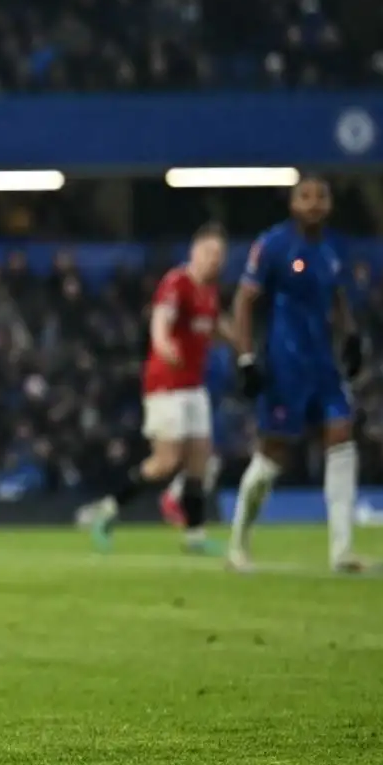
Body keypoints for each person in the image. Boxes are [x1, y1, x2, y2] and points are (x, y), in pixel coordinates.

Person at [228, 174, 373, 573]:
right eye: (305, 197)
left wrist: (352, 336)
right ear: (292, 204)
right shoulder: (274, 244)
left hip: (323, 365)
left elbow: (339, 295)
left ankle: (341, 552)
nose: (313, 204)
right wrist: (245, 358)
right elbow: (243, 301)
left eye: (320, 197)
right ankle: (239, 544)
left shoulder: (334, 247)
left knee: (341, 438)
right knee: (273, 454)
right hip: (283, 366)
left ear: (330, 204)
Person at [80, 225, 228, 552]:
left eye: (218, 255)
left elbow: (214, 328)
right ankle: (107, 511)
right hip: (166, 384)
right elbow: (161, 319)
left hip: (193, 385)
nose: (213, 260)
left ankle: (195, 536)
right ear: (194, 252)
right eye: (208, 253)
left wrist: (241, 346)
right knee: (165, 461)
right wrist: (162, 344)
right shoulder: (177, 282)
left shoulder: (210, 293)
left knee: (199, 461)